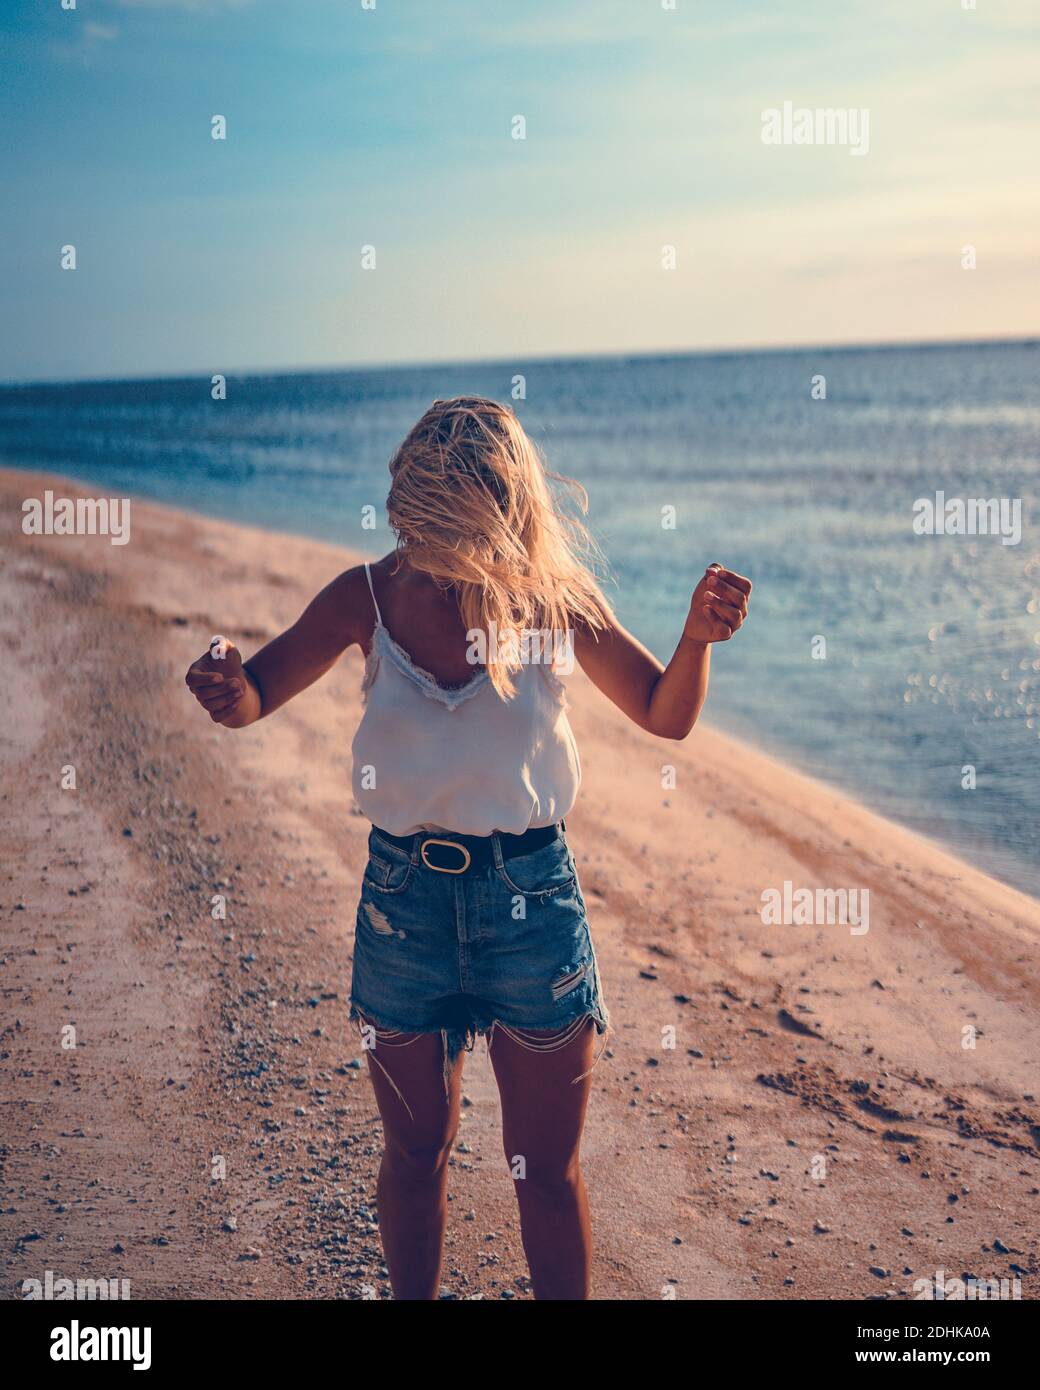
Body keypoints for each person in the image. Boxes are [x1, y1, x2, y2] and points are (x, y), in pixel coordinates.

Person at [185, 396, 751, 1299]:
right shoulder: (362, 596)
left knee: (545, 1173)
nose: (421, 540)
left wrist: (696, 640)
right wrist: (223, 674)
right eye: (416, 517)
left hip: (532, 905)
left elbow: (663, 714)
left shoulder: (554, 602)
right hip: (403, 906)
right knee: (415, 1154)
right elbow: (254, 694)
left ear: (494, 510)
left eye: (444, 520)